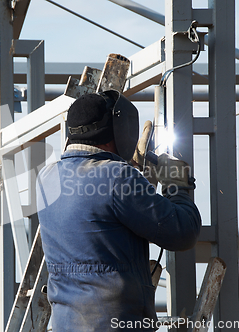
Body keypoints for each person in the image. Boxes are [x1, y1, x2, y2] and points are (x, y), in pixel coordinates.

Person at [36, 90, 201, 331]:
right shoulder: (117, 177)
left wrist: (134, 176)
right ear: (115, 129)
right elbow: (183, 231)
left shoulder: (46, 178)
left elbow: (95, 218)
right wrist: (177, 185)